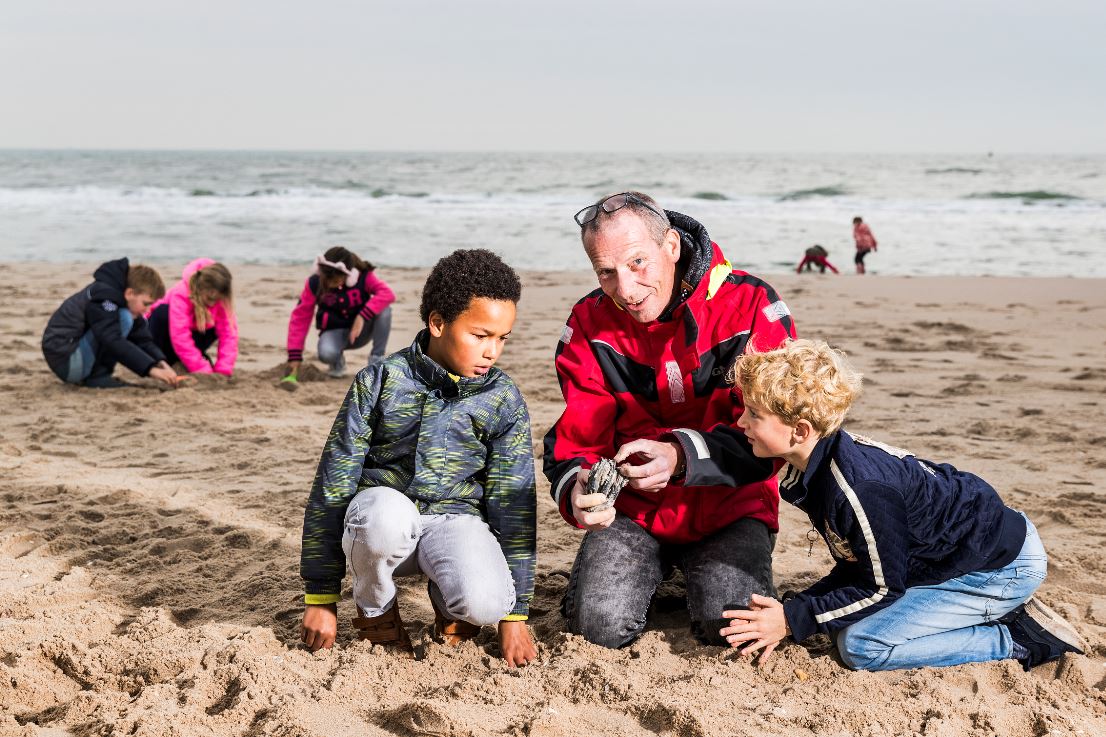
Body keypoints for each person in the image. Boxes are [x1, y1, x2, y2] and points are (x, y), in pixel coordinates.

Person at [721, 339, 1086, 671]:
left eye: (754, 414)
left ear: (800, 431)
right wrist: (796, 609)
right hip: (953, 555)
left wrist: (789, 620)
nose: (741, 421)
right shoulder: (817, 467)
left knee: (861, 645)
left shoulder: (858, 489)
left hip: (1000, 567)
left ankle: (1019, 637)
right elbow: (861, 566)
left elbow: (882, 588)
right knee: (842, 620)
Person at [543, 191, 797, 648]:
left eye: (638, 262)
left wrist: (681, 456)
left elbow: (774, 438)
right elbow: (577, 437)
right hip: (633, 511)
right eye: (606, 272)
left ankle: (701, 577)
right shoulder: (587, 322)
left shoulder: (752, 305)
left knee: (731, 633)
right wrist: (578, 487)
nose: (624, 288)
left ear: (672, 247)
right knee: (598, 628)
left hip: (730, 506)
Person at [299, 249, 538, 667]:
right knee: (383, 518)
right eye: (480, 335)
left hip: (454, 521)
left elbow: (513, 503)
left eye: (502, 338)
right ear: (438, 323)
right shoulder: (380, 380)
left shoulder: (502, 398)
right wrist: (321, 597)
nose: (492, 352)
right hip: (383, 524)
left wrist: (515, 615)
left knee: (487, 603)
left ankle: (449, 607)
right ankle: (376, 611)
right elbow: (333, 483)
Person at [42, 258, 181, 388]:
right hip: (68, 362)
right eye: (146, 303)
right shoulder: (106, 301)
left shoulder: (120, 299)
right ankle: (98, 377)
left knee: (128, 318)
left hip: (75, 355)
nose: (147, 310)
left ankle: (97, 375)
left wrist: (160, 362)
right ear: (129, 293)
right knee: (124, 318)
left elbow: (142, 339)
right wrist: (151, 370)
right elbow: (112, 339)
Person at [285, 246, 396, 381]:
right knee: (326, 354)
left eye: (336, 281)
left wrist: (362, 316)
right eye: (327, 280)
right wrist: (294, 355)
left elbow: (388, 294)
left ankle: (376, 362)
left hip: (362, 331)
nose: (331, 285)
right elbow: (300, 317)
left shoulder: (364, 276)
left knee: (385, 310)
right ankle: (337, 363)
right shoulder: (314, 283)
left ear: (350, 276)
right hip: (334, 332)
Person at [147, 259, 238, 376]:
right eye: (209, 299)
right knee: (162, 313)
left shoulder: (222, 300)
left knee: (220, 325)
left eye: (216, 300)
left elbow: (229, 336)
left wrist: (223, 369)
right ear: (199, 288)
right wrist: (201, 368)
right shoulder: (181, 293)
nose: (212, 304)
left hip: (190, 337)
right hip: (162, 338)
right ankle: (157, 361)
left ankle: (191, 358)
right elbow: (180, 336)